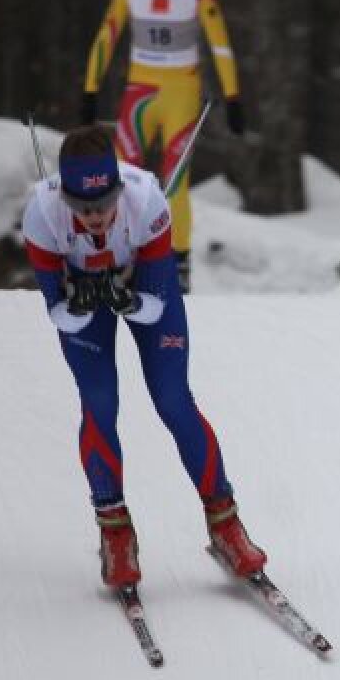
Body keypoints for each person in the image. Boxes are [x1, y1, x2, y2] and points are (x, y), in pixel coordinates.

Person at [23, 124, 266, 590]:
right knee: (99, 402)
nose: (95, 217)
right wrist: (78, 304)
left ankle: (225, 524)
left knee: (173, 400)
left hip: (144, 291)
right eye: (82, 207)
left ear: (118, 189)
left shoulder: (148, 201)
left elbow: (156, 301)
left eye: (103, 203)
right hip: (84, 301)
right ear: (65, 199)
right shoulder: (41, 215)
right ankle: (115, 532)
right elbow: (57, 313)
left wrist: (127, 299)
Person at [80, 0, 246, 293]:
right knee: (120, 175)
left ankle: (179, 259)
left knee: (175, 180)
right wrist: (90, 89)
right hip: (140, 90)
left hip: (181, 92)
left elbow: (220, 43)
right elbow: (107, 36)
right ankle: (118, 254)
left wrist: (233, 96)